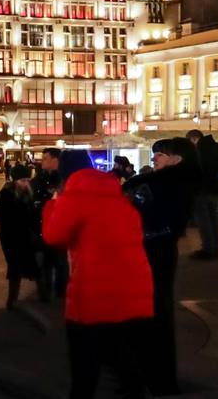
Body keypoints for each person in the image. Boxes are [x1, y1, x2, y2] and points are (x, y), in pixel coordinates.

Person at [44, 151, 153, 399]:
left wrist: (53, 203)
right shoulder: (118, 197)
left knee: (85, 367)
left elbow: (54, 236)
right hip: (132, 293)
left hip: (94, 295)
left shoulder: (73, 197)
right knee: (123, 359)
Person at [122, 138, 197, 395]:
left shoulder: (168, 184)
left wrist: (133, 192)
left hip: (155, 251)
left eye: (161, 154)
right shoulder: (165, 182)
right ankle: (155, 376)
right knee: (153, 312)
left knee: (154, 313)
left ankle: (156, 378)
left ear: (177, 159)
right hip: (156, 250)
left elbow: (144, 211)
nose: (154, 158)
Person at [0, 165, 40, 309]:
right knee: (15, 268)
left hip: (26, 237)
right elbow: (7, 217)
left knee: (30, 266)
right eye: (22, 180)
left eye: (27, 180)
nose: (26, 183)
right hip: (11, 238)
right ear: (14, 180)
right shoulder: (6, 194)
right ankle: (11, 301)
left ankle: (41, 296)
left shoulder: (28, 194)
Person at [32, 147, 68, 301]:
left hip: (58, 228)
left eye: (45, 158)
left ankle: (61, 293)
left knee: (60, 262)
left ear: (55, 160)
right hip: (41, 229)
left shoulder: (63, 179)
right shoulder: (39, 178)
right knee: (43, 263)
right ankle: (44, 294)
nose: (42, 161)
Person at [187, 129, 218, 260]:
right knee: (214, 218)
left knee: (203, 220)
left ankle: (208, 249)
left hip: (200, 188)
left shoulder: (198, 150)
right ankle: (216, 247)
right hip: (214, 188)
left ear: (193, 139)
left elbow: (194, 170)